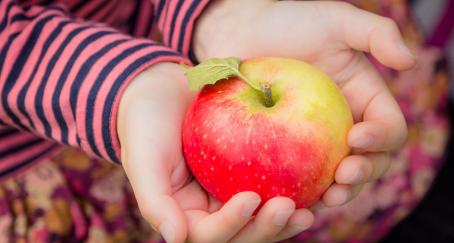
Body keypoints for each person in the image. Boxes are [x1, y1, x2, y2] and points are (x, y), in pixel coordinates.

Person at [0, 0, 445, 242]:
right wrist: (122, 85)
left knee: (368, 155)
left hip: (186, 43)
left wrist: (215, 11)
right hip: (53, 114)